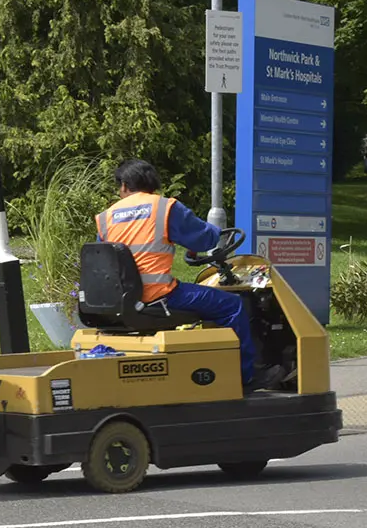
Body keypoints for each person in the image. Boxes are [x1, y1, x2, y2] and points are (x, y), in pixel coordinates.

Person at [96, 159, 267, 389]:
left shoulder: (106, 217)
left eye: (119, 186)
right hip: (159, 295)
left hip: (120, 300)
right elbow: (205, 238)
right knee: (232, 306)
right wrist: (214, 232)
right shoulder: (164, 208)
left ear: (125, 185)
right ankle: (246, 378)